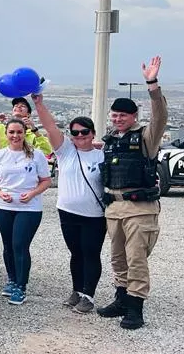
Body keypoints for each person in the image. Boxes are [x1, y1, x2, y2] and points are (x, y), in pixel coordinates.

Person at [95, 56, 166, 330]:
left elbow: (160, 116)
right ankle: (121, 299)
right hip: (114, 207)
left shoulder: (146, 137)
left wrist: (152, 84)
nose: (118, 119)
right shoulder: (111, 140)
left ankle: (135, 308)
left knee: (136, 258)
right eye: (114, 115)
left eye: (123, 115)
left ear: (134, 117)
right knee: (118, 258)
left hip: (140, 208)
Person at [33, 93, 106, 315]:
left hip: (94, 215)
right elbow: (50, 127)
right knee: (76, 253)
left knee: (91, 253)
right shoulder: (65, 152)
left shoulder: (102, 155)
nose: (80, 136)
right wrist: (38, 103)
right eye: (75, 132)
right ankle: (77, 290)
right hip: (67, 212)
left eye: (85, 132)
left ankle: (88, 295)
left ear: (92, 133)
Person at [0, 117, 52, 305]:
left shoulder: (36, 154)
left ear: (25, 133)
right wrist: (0, 192)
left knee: (20, 244)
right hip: (3, 206)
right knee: (8, 245)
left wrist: (32, 193)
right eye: (12, 132)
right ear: (6, 134)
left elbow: (45, 180)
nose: (15, 136)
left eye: (19, 132)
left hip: (29, 208)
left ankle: (21, 286)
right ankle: (12, 279)